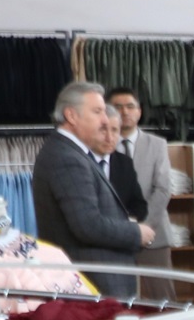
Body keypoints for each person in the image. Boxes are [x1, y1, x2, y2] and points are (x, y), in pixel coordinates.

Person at [32, 81, 152, 298]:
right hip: (93, 284)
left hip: (97, 282)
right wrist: (136, 232)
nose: (105, 119)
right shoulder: (67, 158)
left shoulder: (71, 153)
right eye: (97, 112)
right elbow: (87, 225)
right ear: (71, 115)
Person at [109, 86, 177, 297]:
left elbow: (163, 188)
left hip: (153, 232)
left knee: (163, 298)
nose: (125, 112)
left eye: (130, 106)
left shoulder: (157, 144)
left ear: (139, 111)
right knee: (118, 299)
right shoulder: (99, 147)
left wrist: (143, 227)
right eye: (118, 107)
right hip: (114, 235)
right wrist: (124, 229)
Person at [100, 108, 149, 228]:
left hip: (121, 232)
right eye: (103, 130)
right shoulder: (81, 160)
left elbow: (139, 206)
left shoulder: (125, 163)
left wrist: (127, 221)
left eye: (114, 130)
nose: (109, 137)